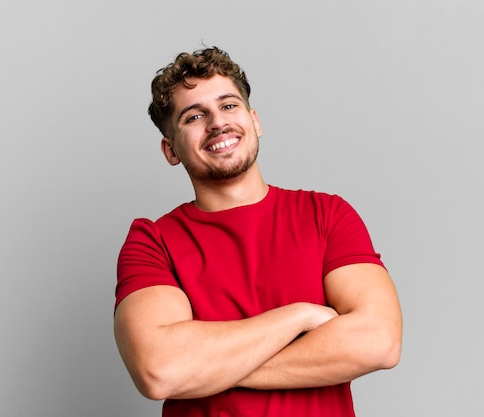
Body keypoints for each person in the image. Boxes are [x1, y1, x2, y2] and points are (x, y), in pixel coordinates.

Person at [114, 46, 402, 417]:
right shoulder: (153, 242)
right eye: (194, 116)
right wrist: (300, 316)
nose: (217, 123)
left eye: (229, 106)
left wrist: (208, 369)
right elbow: (159, 370)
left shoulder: (327, 215)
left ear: (255, 121)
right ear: (171, 151)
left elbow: (379, 341)